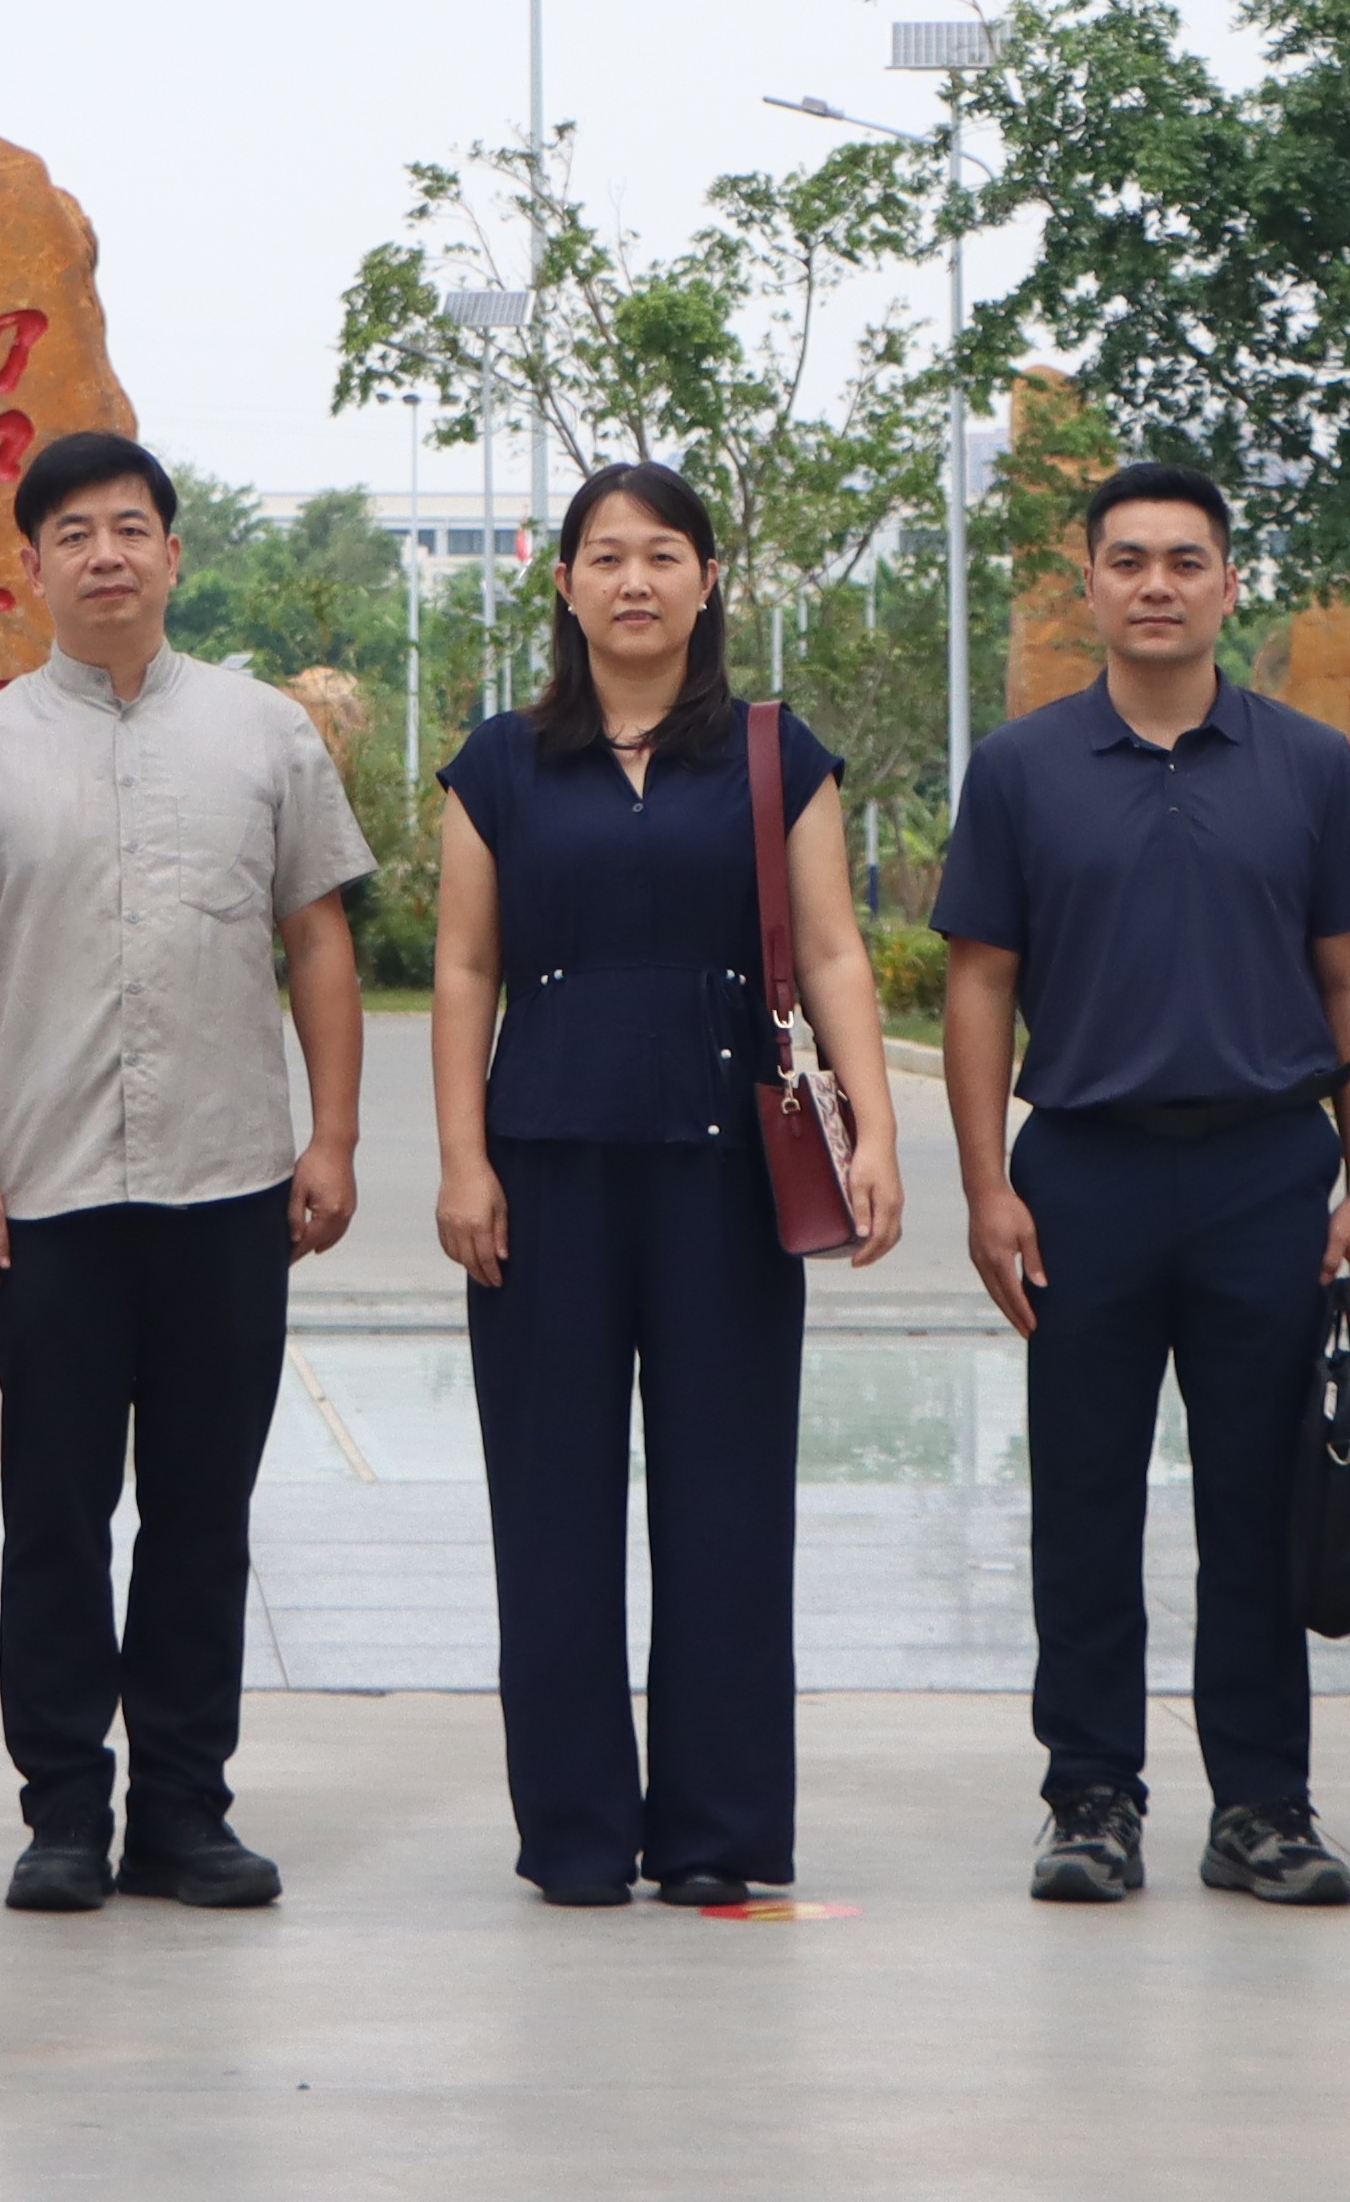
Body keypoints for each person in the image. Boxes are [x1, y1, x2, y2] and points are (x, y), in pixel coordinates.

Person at [0, 429, 370, 1915]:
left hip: (227, 1187)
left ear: (172, 552)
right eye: (73, 534)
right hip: (43, 1200)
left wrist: (334, 1137)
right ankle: (60, 1812)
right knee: (53, 1518)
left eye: (129, 528)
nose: (104, 554)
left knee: (201, 1518)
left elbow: (318, 941)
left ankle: (182, 1809)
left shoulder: (265, 737)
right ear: (32, 566)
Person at [436, 458, 905, 1908]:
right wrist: (462, 1158)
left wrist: (876, 1129)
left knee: (728, 1507)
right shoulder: (501, 763)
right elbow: (464, 965)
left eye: (662, 555)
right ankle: (575, 1836)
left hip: (728, 1180)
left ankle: (717, 1833)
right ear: (564, 584)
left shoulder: (774, 753)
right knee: (552, 1513)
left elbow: (831, 949)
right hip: (547, 1175)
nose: (633, 580)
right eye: (605, 555)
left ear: (709, 582)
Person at [932, 461, 1350, 1912]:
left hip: (1267, 1172)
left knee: (1259, 1501)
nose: (1156, 585)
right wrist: (987, 1187)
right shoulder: (1021, 769)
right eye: (1128, 560)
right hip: (1086, 1175)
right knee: (1084, 1501)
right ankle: (1091, 1797)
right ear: (1090, 585)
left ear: (1228, 585)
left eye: (1185, 561)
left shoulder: (1306, 767)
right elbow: (978, 984)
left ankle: (1262, 1805)